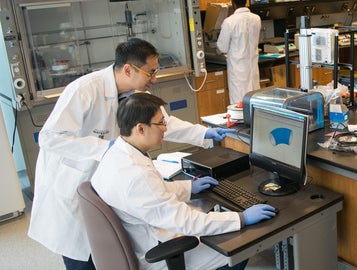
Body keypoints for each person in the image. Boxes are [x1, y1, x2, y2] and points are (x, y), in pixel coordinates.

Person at [28, 38, 235, 270]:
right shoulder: (85, 89)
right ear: (128, 69)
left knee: (110, 251)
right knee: (84, 258)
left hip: (107, 186)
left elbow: (162, 122)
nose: (154, 79)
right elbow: (49, 138)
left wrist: (205, 133)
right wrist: (103, 147)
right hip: (71, 190)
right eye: (150, 72)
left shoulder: (133, 93)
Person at [91, 92, 276, 270]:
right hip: (158, 251)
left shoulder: (118, 153)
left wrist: (189, 187)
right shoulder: (136, 175)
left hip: (144, 232)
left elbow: (154, 192)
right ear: (140, 128)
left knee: (205, 210)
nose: (165, 128)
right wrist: (241, 218)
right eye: (161, 123)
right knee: (239, 247)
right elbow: (185, 221)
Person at [216, 0, 261, 105]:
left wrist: (216, 49)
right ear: (246, 2)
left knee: (239, 106)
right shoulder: (256, 18)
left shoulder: (229, 22)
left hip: (238, 71)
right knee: (254, 104)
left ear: (233, 4)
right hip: (252, 69)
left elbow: (222, 47)